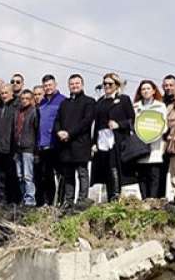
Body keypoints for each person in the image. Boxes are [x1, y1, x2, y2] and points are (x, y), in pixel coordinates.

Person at [54, 74, 96, 207]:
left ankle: (82, 200)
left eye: (77, 83)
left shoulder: (89, 101)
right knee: (68, 175)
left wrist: (69, 133)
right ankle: (69, 200)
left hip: (81, 143)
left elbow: (86, 122)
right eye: (72, 84)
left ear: (82, 85)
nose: (74, 86)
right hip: (65, 145)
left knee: (82, 173)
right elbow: (57, 120)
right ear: (68, 86)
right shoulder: (64, 103)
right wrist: (59, 132)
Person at [93, 73, 136, 201]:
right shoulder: (100, 102)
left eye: (110, 84)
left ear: (116, 85)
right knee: (105, 167)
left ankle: (116, 195)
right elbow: (97, 123)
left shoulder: (123, 100)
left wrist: (119, 124)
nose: (107, 86)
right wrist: (94, 142)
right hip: (102, 139)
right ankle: (109, 195)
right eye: (104, 84)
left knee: (114, 166)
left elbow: (132, 120)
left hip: (117, 139)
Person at [132, 80, 169, 200]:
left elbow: (164, 125)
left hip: (155, 145)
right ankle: (144, 199)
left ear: (153, 91)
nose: (146, 91)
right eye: (143, 89)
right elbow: (133, 125)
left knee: (154, 174)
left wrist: (154, 134)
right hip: (140, 146)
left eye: (148, 88)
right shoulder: (136, 107)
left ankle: (153, 199)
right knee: (142, 175)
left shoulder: (160, 106)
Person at [36, 75, 66, 206]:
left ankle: (61, 201)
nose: (48, 88)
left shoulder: (62, 100)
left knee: (60, 174)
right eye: (45, 86)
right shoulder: (41, 103)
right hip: (43, 145)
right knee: (46, 176)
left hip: (56, 144)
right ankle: (48, 202)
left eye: (50, 85)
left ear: (55, 85)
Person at [0, 84, 18, 204]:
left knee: (12, 176)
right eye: (2, 93)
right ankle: (2, 200)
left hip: (11, 148)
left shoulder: (15, 107)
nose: (4, 95)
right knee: (0, 177)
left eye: (6, 93)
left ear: (11, 93)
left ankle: (13, 201)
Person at [13, 90, 40, 206]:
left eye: (27, 98)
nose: (24, 101)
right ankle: (24, 198)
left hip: (28, 148)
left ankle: (30, 200)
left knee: (28, 176)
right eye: (22, 98)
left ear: (32, 99)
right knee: (20, 176)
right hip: (18, 148)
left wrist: (36, 151)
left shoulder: (34, 112)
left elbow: (37, 132)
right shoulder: (18, 112)